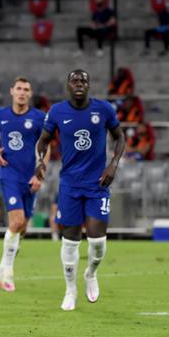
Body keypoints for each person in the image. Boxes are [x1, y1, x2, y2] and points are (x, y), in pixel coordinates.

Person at [35, 69, 124, 311]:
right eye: (74, 80)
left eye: (83, 80)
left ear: (89, 85)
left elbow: (120, 137)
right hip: (70, 185)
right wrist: (40, 161)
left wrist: (113, 164)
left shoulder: (103, 109)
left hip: (97, 185)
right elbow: (43, 140)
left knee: (97, 241)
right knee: (70, 240)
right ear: (68, 85)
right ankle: (70, 290)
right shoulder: (57, 111)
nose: (79, 84)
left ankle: (91, 273)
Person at [0, 77, 48, 292]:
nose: (22, 92)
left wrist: (40, 175)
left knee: (22, 229)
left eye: (26, 89)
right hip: (9, 175)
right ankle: (8, 272)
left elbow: (46, 147)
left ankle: (0, 269)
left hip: (30, 178)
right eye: (19, 89)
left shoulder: (39, 118)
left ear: (30, 94)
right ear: (12, 91)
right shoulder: (0, 115)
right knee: (17, 221)